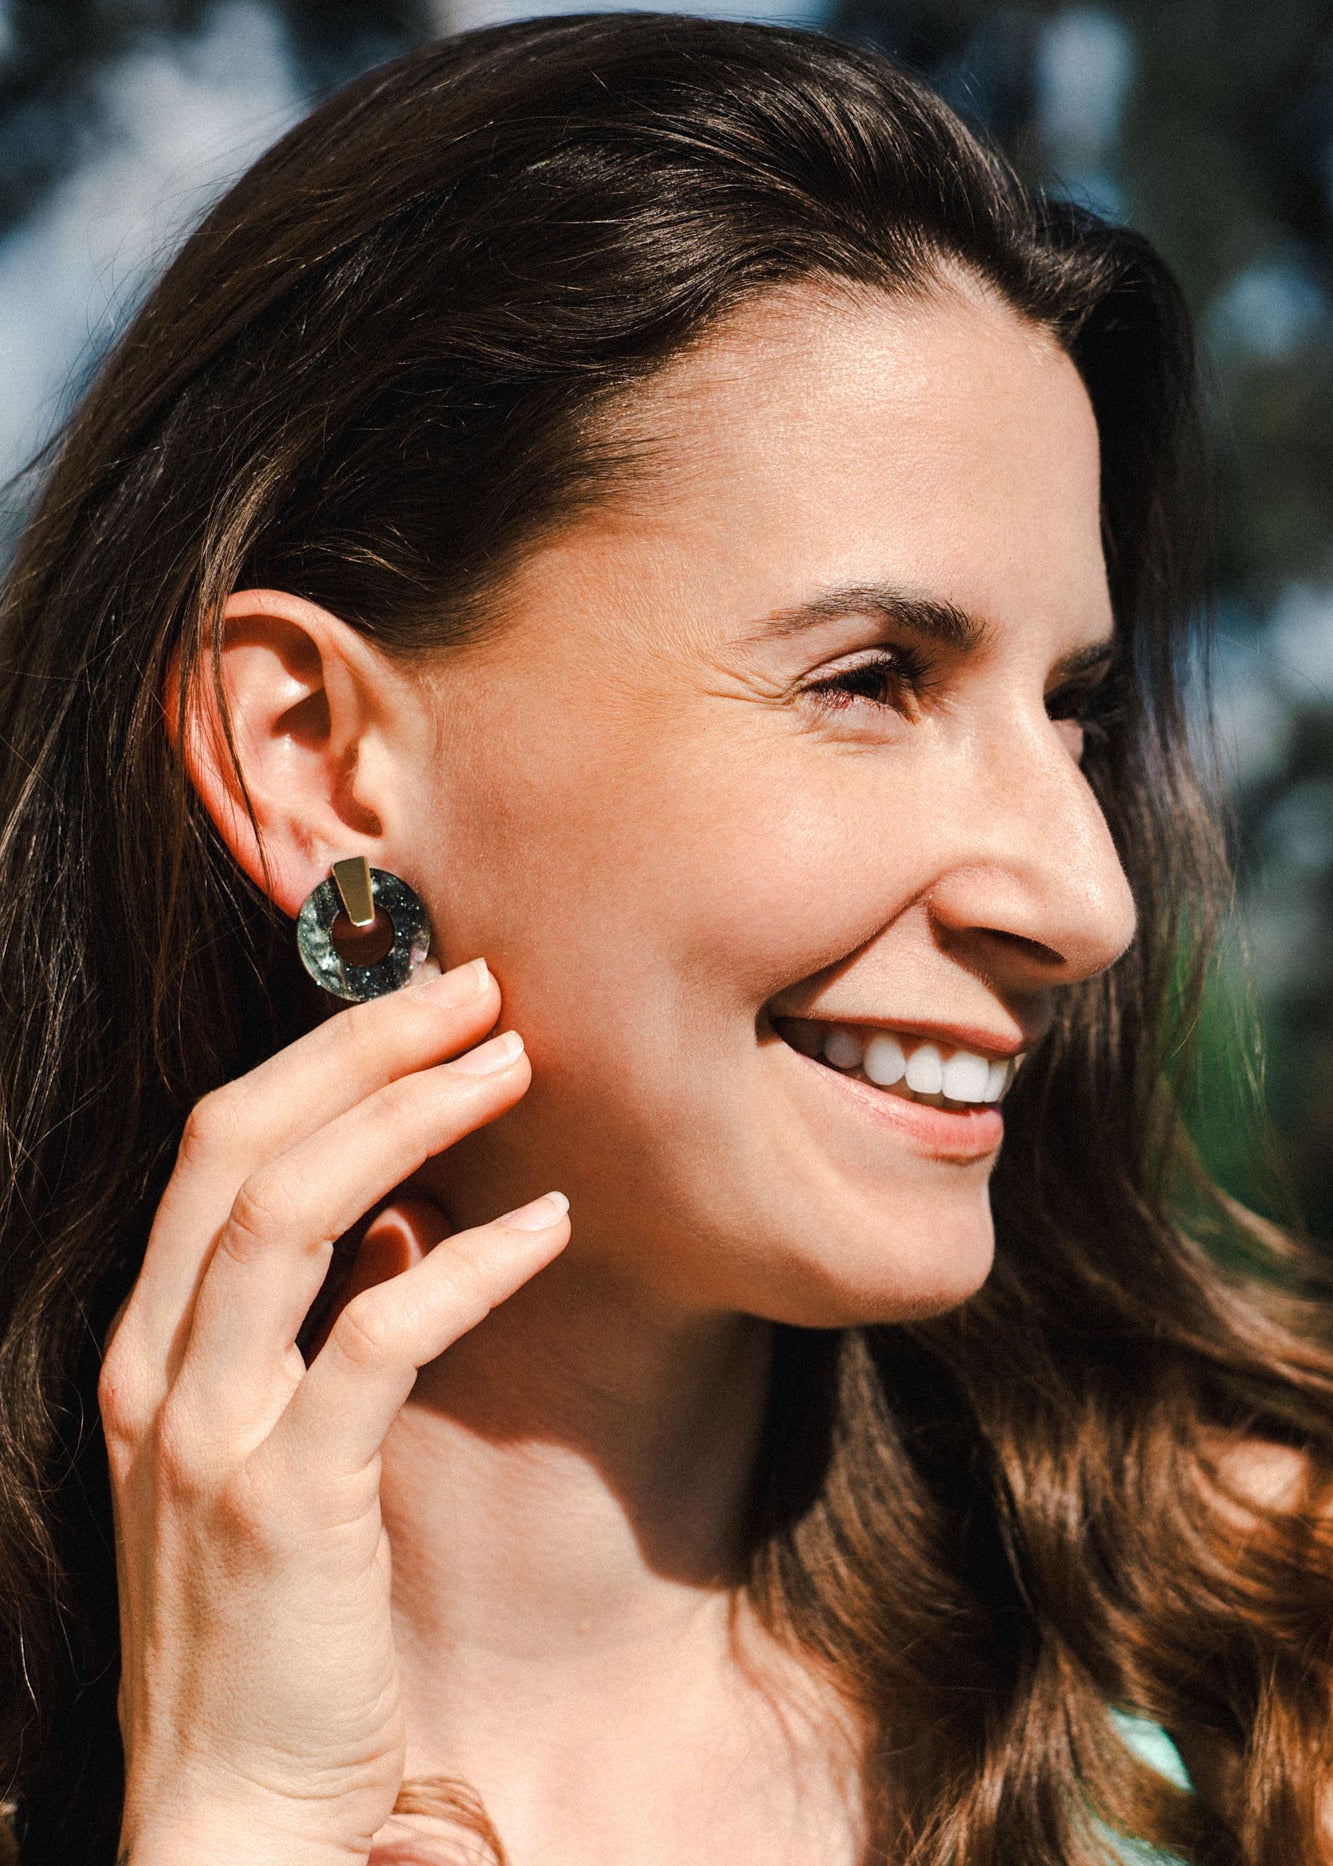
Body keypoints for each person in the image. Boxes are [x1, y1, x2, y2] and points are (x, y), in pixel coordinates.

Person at [0, 13, 1328, 1864]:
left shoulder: (1268, 1683)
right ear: (311, 757)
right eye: (872, 679)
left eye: (1071, 712)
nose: (1085, 897)